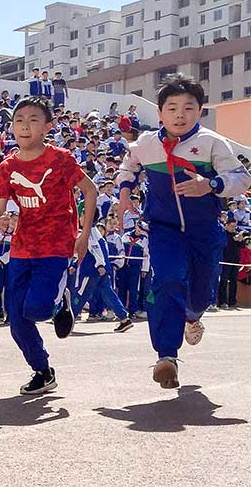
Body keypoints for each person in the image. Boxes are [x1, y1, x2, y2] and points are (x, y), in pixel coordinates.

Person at [116, 74, 251, 389]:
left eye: (188, 108)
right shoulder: (147, 143)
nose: (180, 114)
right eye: (172, 107)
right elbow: (129, 164)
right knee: (167, 278)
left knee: (201, 295)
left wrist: (210, 184)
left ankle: (193, 317)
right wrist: (125, 192)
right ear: (160, 112)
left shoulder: (212, 143)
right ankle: (166, 356)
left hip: (204, 231)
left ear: (200, 110)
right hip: (164, 229)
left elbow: (241, 179)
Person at [0, 96, 97, 395]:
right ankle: (43, 370)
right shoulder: (7, 166)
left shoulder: (60, 159)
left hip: (56, 244)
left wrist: (84, 234)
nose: (24, 126)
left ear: (47, 127)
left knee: (37, 308)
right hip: (22, 246)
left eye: (33, 120)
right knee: (17, 319)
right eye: (19, 120)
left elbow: (89, 191)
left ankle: (59, 301)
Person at [218, 218, 243, 309]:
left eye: (235, 226)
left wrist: (240, 240)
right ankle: (222, 301)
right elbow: (223, 244)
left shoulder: (236, 234)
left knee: (233, 282)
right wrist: (233, 240)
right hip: (225, 261)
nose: (233, 228)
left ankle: (232, 301)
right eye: (232, 226)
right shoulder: (223, 234)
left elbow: (242, 246)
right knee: (223, 281)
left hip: (235, 261)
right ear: (226, 225)